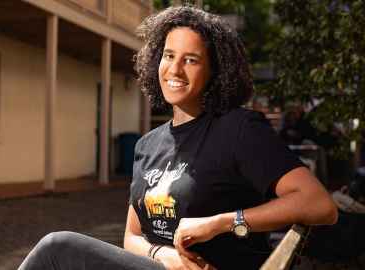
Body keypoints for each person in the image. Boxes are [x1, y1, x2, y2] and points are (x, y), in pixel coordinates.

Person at [18, 6, 338, 270]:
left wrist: (220, 222)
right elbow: (132, 237)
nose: (175, 69)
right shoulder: (147, 145)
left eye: (191, 59)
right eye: (169, 55)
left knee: (57, 248)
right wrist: (162, 255)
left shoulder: (238, 129)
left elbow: (319, 205)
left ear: (215, 71)